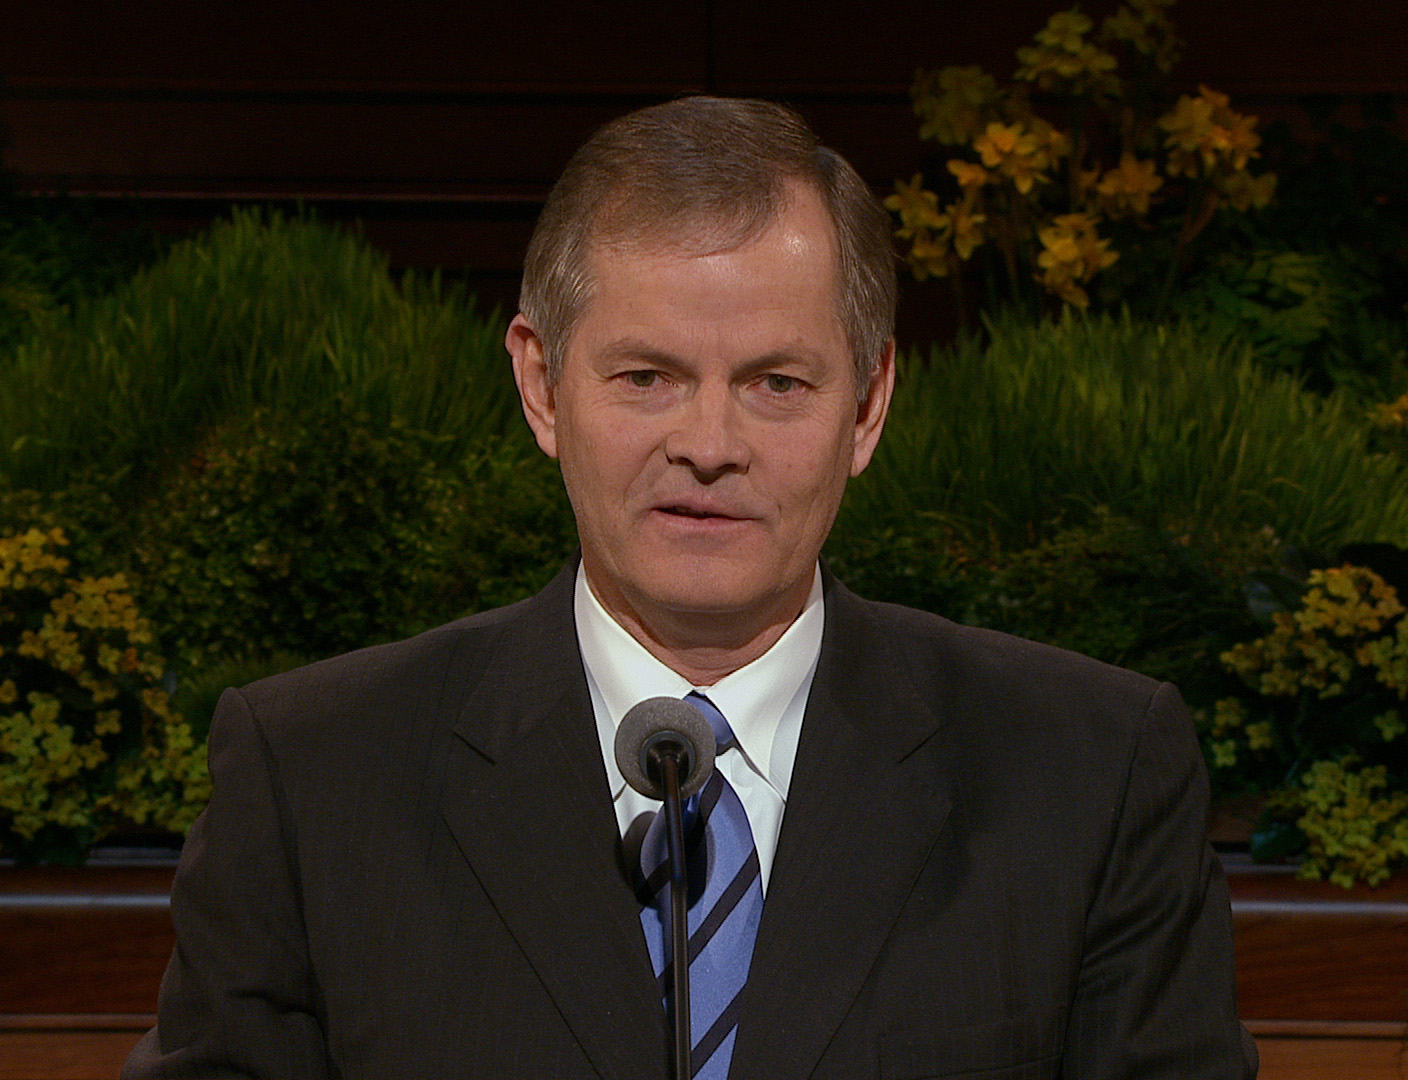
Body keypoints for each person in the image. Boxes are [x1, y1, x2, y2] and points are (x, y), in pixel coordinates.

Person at [123, 96, 1257, 1080]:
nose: (709, 445)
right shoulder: (315, 778)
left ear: (868, 406)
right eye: (647, 377)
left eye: (776, 383)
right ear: (541, 385)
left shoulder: (1090, 775)